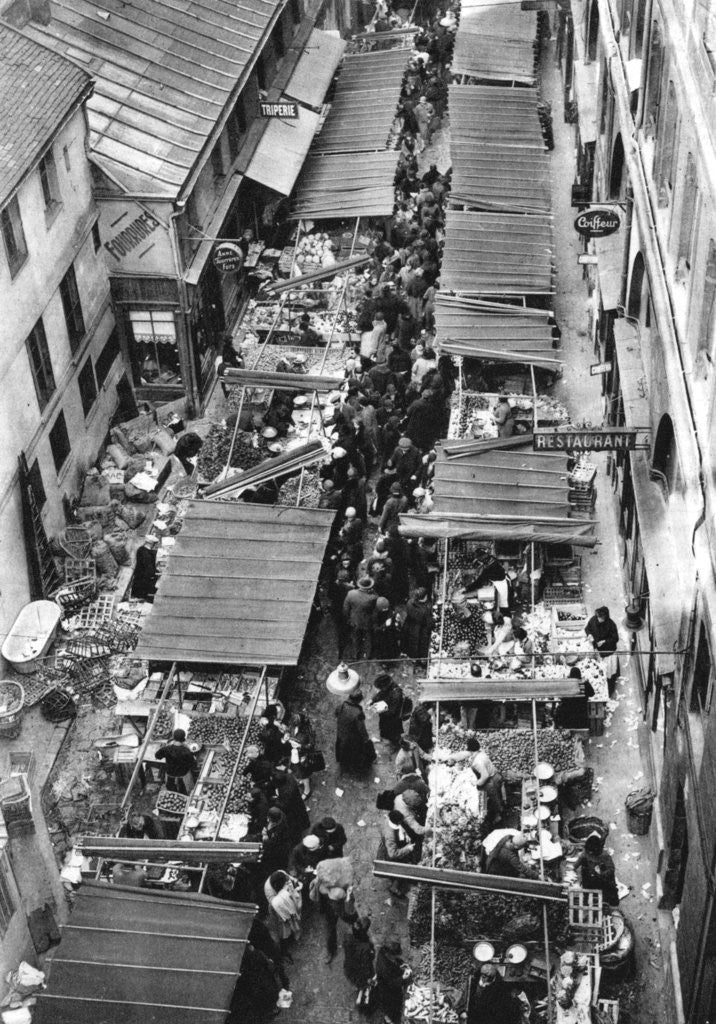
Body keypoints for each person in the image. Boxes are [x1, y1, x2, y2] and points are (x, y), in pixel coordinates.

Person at [376, 810, 417, 897]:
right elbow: (392, 854)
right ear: (397, 821)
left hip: (397, 845)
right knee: (401, 869)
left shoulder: (390, 821)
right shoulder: (390, 835)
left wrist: (406, 836)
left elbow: (400, 828)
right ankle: (394, 887)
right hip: (392, 857)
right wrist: (407, 849)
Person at [335, 690, 376, 772]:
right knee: (354, 751)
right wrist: (366, 740)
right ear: (358, 700)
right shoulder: (357, 713)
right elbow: (361, 729)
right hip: (352, 736)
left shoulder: (341, 706)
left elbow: (336, 714)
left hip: (341, 732)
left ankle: (344, 763)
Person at [263, 870, 302, 956]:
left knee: (294, 916)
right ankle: (285, 945)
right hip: (278, 908)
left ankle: (295, 931)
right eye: (284, 884)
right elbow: (278, 908)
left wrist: (296, 882)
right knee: (284, 926)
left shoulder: (281, 873)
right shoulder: (270, 894)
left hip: (284, 899)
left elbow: (290, 880)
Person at [575, 833, 619, 906]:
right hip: (590, 875)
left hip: (602, 877)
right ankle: (586, 900)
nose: (589, 853)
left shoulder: (605, 856)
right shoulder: (586, 852)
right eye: (588, 852)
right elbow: (579, 860)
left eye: (591, 852)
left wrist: (602, 874)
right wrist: (574, 867)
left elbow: (611, 869)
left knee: (610, 896)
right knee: (586, 890)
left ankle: (609, 902)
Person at [585, 605, 620, 696]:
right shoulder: (594, 620)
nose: (599, 620)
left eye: (601, 618)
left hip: (608, 652)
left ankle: (610, 689)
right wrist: (589, 635)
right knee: (598, 670)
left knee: (608, 672)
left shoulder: (611, 625)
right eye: (598, 617)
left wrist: (604, 641)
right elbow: (587, 628)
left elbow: (615, 638)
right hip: (597, 650)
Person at [374, 937, 411, 1024]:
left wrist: (400, 963)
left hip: (390, 987)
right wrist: (403, 978)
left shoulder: (383, 952)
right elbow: (391, 983)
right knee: (392, 1014)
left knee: (394, 1011)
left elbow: (394, 960)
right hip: (388, 993)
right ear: (389, 954)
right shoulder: (384, 968)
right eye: (395, 955)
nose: (396, 957)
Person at [343, 916, 375, 1013]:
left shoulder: (348, 938)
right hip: (360, 971)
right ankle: (363, 998)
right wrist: (368, 978)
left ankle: (360, 990)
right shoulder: (365, 947)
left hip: (349, 968)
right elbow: (366, 965)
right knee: (365, 982)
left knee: (358, 981)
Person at [343, 578, 377, 660]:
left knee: (355, 638)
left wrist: (348, 619)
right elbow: (375, 610)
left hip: (354, 620)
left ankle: (355, 655)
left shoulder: (351, 594)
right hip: (367, 621)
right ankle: (367, 655)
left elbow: (345, 609)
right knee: (368, 638)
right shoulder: (373, 597)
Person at [155, 728, 197, 794]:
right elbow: (193, 764)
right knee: (184, 796)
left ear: (173, 738)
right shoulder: (186, 752)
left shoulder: (167, 749)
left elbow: (157, 756)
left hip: (170, 779)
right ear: (183, 739)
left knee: (172, 795)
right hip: (183, 781)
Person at [470, 740, 504, 823]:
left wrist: (476, 783)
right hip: (496, 776)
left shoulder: (477, 762)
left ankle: (498, 816)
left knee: (494, 799)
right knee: (497, 796)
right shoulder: (481, 753)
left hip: (491, 781)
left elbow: (485, 776)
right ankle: (501, 807)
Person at [370, 673, 405, 746]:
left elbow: (393, 711)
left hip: (393, 720)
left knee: (393, 738)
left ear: (386, 685)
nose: (381, 689)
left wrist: (378, 709)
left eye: (382, 688)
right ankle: (387, 742)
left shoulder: (396, 693)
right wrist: (372, 700)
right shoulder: (388, 687)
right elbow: (381, 694)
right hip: (385, 717)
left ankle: (396, 747)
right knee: (384, 732)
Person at [401, 587, 434, 661]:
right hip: (420, 629)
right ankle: (421, 659)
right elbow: (429, 622)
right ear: (425, 597)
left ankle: (412, 657)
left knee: (410, 642)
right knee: (420, 644)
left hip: (410, 625)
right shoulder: (425, 609)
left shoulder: (410, 602)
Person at [261, 806, 292, 877]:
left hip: (279, 853)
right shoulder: (279, 815)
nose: (268, 821)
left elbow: (275, 845)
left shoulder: (281, 830)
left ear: (277, 822)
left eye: (270, 820)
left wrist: (266, 838)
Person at [130, 535, 159, 602]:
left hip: (139, 573)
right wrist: (156, 574)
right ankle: (142, 599)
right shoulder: (147, 555)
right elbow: (150, 570)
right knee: (143, 592)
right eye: (154, 544)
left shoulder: (141, 549)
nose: (154, 546)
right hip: (144, 578)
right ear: (151, 544)